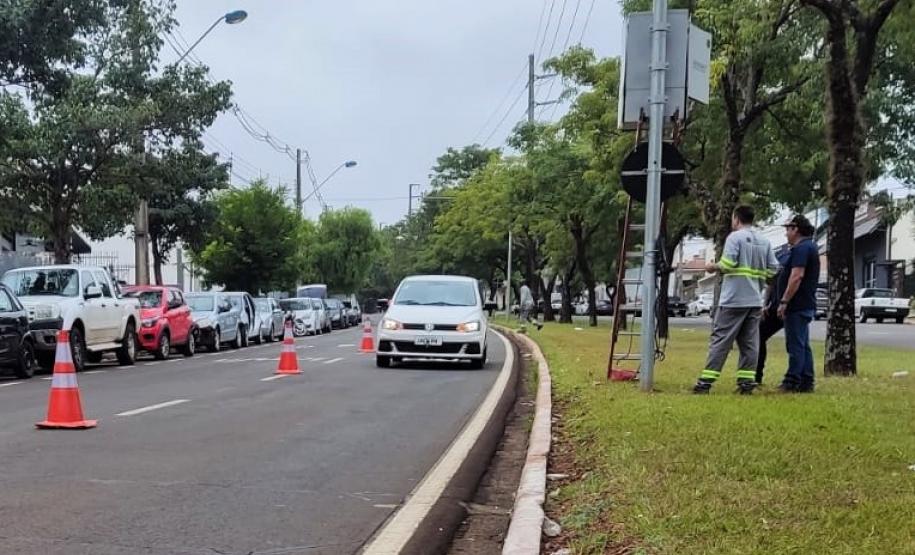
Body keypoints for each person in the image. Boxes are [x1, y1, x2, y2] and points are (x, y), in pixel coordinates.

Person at [693, 206, 779, 395]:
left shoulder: (735, 238)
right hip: (754, 300)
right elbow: (774, 268)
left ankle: (705, 383)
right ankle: (746, 383)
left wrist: (712, 266)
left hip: (733, 299)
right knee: (750, 344)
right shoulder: (764, 241)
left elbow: (728, 264)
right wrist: (760, 279)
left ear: (736, 219)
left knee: (721, 340)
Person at [777, 214, 820, 393]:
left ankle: (792, 380)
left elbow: (797, 276)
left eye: (788, 229)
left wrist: (784, 301)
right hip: (805, 303)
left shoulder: (801, 249)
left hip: (797, 304)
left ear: (796, 229)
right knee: (803, 345)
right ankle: (806, 380)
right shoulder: (810, 247)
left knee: (795, 345)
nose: (786, 233)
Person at [756, 247, 791, 384]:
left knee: (795, 343)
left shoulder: (799, 253)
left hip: (790, 307)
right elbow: (770, 283)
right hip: (774, 307)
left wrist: (785, 302)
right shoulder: (779, 255)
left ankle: (797, 379)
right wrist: (765, 304)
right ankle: (756, 376)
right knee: (758, 335)